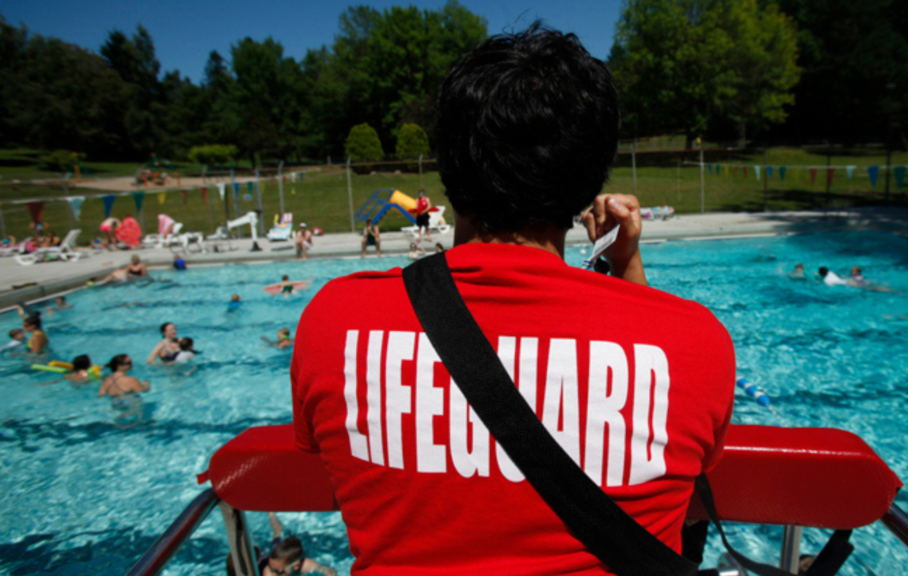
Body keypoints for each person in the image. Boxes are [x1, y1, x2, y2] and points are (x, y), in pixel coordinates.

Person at [290, 26, 735, 575]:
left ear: (449, 171)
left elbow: (340, 481)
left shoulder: (333, 323)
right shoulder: (697, 340)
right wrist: (626, 268)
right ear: (588, 181)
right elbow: (665, 429)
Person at [226, 512, 337, 576]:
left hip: (280, 556)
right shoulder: (267, 571)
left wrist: (327, 571)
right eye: (271, 569)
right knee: (278, 533)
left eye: (277, 572)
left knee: (278, 535)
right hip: (268, 557)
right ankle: (271, 512)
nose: (271, 574)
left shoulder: (305, 565)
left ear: (295, 566)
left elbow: (327, 571)